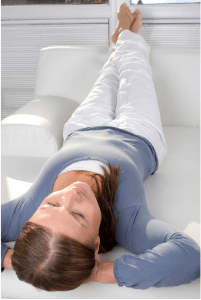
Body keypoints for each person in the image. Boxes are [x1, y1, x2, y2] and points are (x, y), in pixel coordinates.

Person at [1, 3, 200, 292]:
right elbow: (189, 257)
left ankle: (120, 36)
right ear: (96, 245)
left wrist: (12, 259)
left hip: (83, 126)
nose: (70, 196)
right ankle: (127, 35)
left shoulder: (22, 212)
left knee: (107, 76)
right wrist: (102, 273)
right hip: (139, 133)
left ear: (32, 216)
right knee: (134, 68)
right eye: (78, 215)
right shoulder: (129, 224)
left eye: (51, 204)